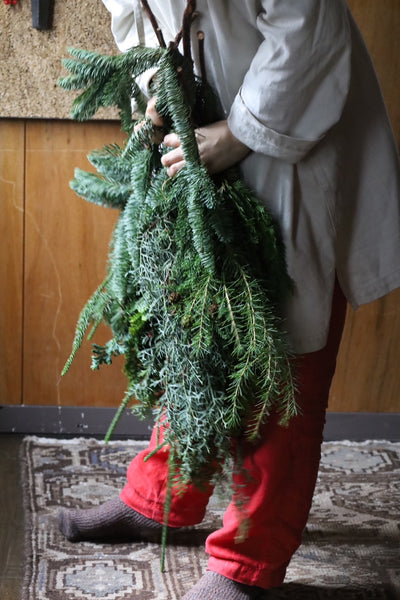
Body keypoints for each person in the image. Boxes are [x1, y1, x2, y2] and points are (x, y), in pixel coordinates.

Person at [58, 1, 400, 598]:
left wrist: (241, 132)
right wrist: (164, 89)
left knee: (280, 341)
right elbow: (136, 13)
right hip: (202, 121)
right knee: (191, 327)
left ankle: (248, 558)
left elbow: (307, 24)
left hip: (292, 121)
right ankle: (162, 497)